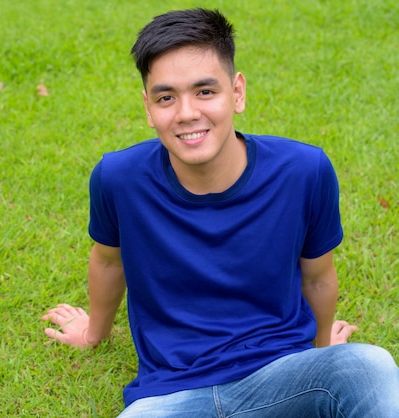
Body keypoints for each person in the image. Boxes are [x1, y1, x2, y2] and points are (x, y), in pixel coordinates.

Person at [42, 8, 399, 417]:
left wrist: (320, 352)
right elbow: (108, 262)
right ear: (147, 106)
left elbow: (318, 276)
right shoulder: (118, 178)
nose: (187, 113)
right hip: (170, 395)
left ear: (237, 92)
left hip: (280, 372)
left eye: (205, 92)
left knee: (368, 365)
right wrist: (92, 334)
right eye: (166, 97)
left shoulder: (304, 171)